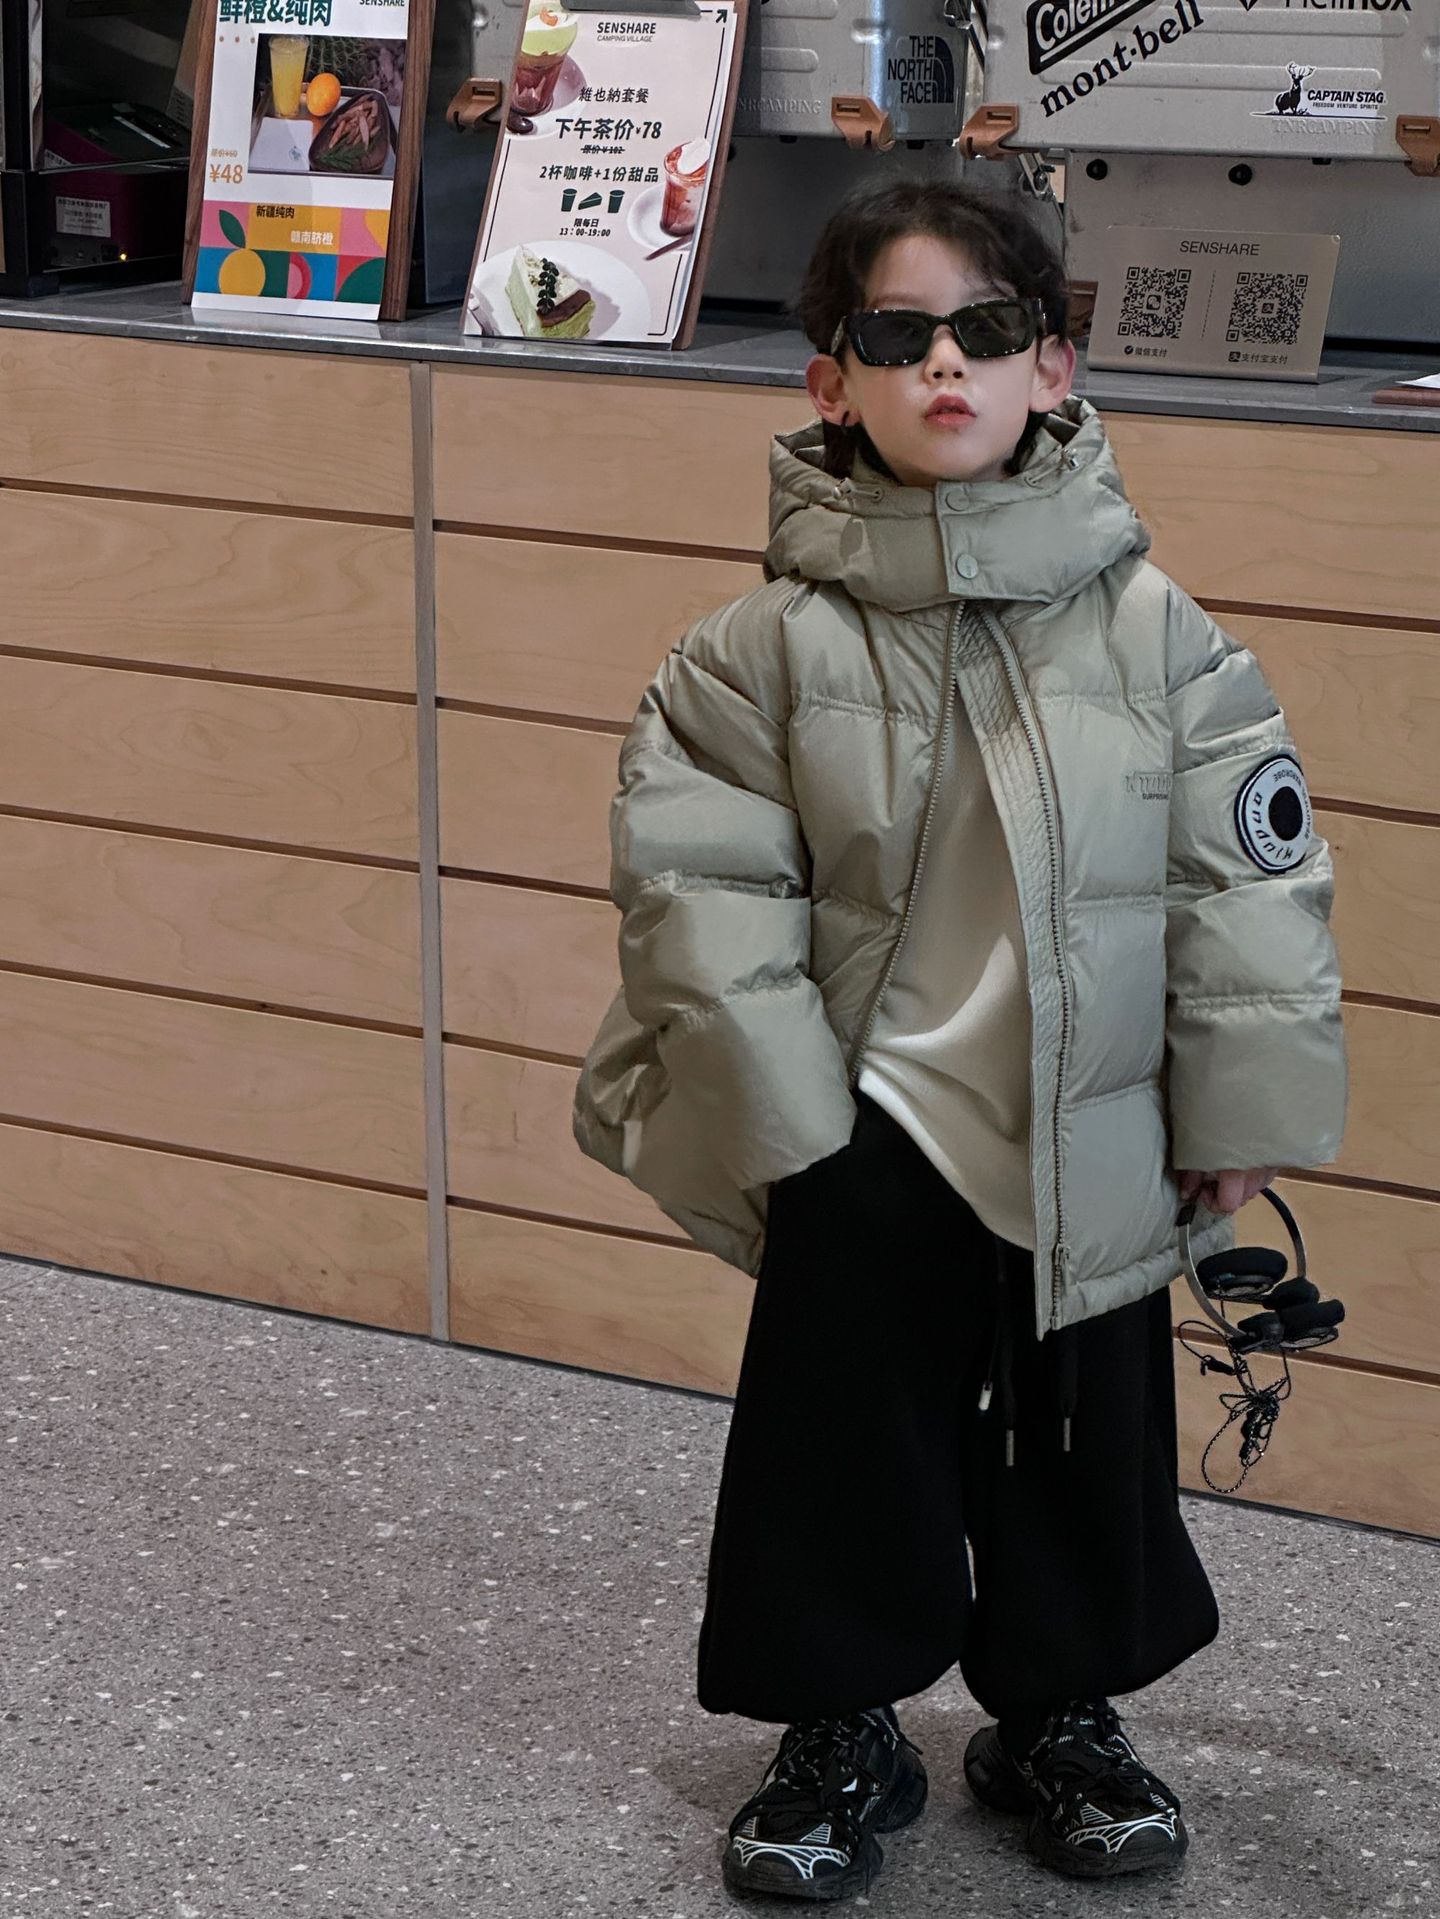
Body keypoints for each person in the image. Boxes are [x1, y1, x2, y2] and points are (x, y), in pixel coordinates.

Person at [572, 177, 1347, 1899]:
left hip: (1094, 1120)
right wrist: (804, 1134)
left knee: (1086, 1439)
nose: (946, 365)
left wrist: (1241, 1107)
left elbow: (1249, 886)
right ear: (829, 379)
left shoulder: (1161, 638)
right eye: (898, 334)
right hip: (866, 1125)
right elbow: (702, 903)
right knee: (840, 1433)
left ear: (1054, 366)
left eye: (987, 331)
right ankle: (839, 1722)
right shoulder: (756, 654)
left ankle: (1060, 1712)